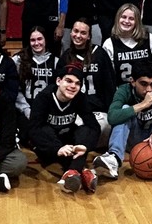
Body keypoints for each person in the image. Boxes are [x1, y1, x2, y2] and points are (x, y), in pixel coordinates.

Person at [28, 64, 100, 194]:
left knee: (83, 130)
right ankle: (82, 170)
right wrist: (56, 148)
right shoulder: (43, 97)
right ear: (58, 81)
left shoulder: (80, 98)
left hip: (68, 141)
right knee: (46, 130)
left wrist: (86, 146)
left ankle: (72, 173)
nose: (73, 86)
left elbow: (94, 126)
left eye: (77, 83)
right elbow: (33, 130)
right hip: (47, 145)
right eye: (68, 81)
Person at [57, 18, 115, 148]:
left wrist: (110, 111)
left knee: (104, 127)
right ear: (71, 33)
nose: (78, 36)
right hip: (74, 111)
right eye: (75, 31)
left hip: (98, 111)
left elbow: (109, 86)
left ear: (89, 36)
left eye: (83, 33)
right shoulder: (65, 57)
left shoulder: (99, 54)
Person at [102, 3, 152, 88]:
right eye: (123, 17)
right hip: (122, 91)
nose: (126, 21)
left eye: (131, 19)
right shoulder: (109, 43)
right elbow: (107, 74)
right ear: (117, 18)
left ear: (137, 21)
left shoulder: (148, 38)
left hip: (148, 89)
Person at [13, 26, 58, 118]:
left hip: (49, 113)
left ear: (46, 40)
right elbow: (14, 90)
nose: (36, 43)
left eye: (40, 39)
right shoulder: (18, 60)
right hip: (25, 111)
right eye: (33, 40)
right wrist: (26, 109)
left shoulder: (56, 62)